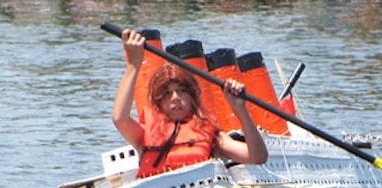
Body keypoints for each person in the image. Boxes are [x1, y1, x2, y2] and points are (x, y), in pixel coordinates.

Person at [112, 29, 268, 178]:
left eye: (182, 91)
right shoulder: (143, 135)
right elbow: (119, 118)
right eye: (167, 94)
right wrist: (133, 64)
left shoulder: (213, 136)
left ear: (192, 97)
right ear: (159, 103)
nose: (175, 98)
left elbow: (257, 157)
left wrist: (240, 109)